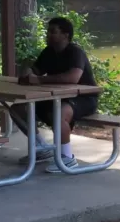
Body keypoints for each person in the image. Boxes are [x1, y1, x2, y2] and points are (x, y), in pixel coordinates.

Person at [10, 17, 97, 172]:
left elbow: (73, 77)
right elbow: (33, 71)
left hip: (83, 98)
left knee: (59, 113)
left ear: (65, 35)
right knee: (17, 109)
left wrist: (39, 80)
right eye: (48, 31)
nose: (48, 35)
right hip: (55, 97)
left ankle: (67, 158)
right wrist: (28, 72)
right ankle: (41, 147)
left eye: (52, 31)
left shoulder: (75, 52)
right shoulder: (48, 52)